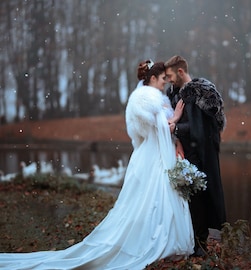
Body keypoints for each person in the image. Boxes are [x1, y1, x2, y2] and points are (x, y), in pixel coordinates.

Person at [0, 60, 194, 269]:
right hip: (151, 155)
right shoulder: (145, 98)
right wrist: (174, 117)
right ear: (153, 78)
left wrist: (176, 141)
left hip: (154, 152)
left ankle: (160, 235)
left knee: (157, 196)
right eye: (163, 79)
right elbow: (157, 129)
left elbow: (158, 130)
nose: (165, 83)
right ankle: (150, 239)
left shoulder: (153, 97)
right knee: (150, 197)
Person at [165, 55, 227, 256]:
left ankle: (200, 246)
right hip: (185, 152)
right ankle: (193, 242)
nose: (169, 80)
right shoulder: (177, 95)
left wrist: (176, 128)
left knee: (199, 199)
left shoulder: (198, 94)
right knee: (189, 200)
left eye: (170, 75)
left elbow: (198, 129)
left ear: (180, 72)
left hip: (200, 154)